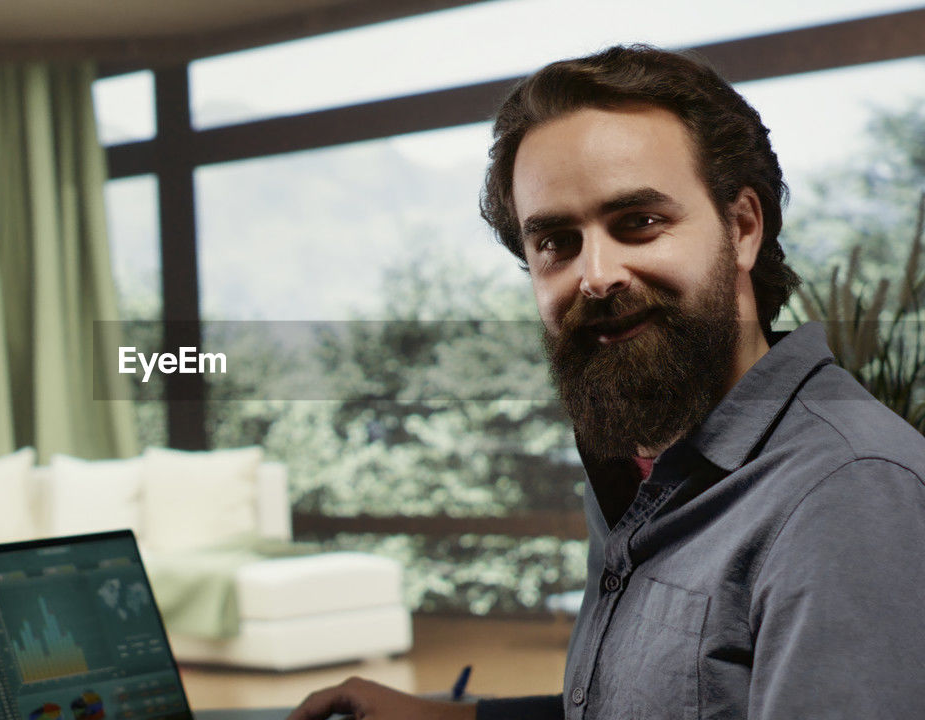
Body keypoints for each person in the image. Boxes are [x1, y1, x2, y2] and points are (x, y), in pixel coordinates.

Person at [287, 44, 925, 720]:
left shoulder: (849, 496)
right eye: (556, 242)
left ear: (742, 228)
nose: (595, 274)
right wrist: (451, 717)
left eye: (639, 224)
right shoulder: (646, 467)